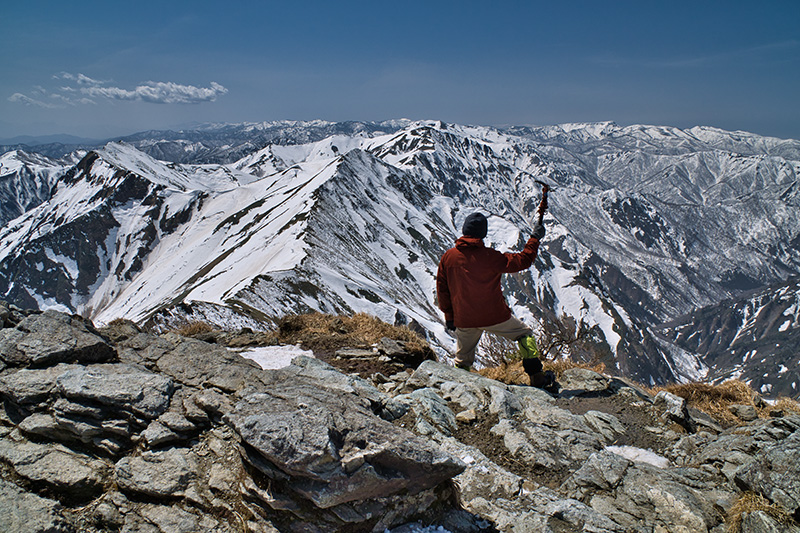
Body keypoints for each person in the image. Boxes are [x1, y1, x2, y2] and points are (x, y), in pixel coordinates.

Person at [436, 212, 556, 390]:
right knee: (525, 335)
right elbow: (524, 260)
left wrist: (449, 316)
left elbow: (442, 289)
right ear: (483, 233)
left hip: (465, 319)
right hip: (495, 317)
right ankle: (537, 378)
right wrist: (535, 238)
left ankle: (459, 390)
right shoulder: (491, 257)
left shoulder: (449, 257)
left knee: (462, 359)